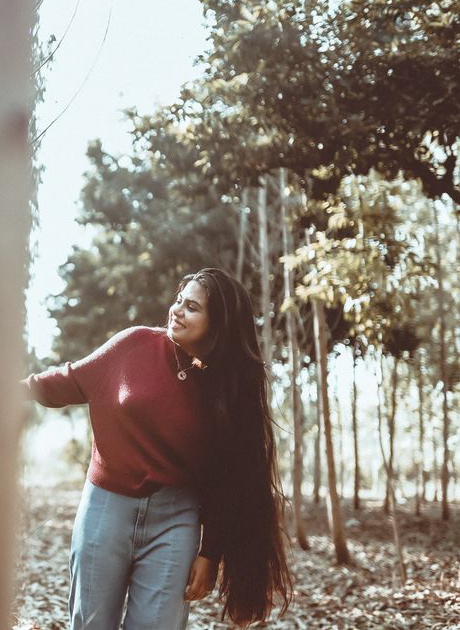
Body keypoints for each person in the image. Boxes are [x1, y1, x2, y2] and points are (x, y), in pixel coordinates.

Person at [24, 267, 292, 628]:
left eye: (193, 307)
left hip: (175, 521)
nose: (177, 310)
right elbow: (65, 381)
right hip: (106, 509)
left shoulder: (229, 387)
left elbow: (227, 478)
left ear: (218, 324)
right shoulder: (133, 345)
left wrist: (209, 553)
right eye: (179, 300)